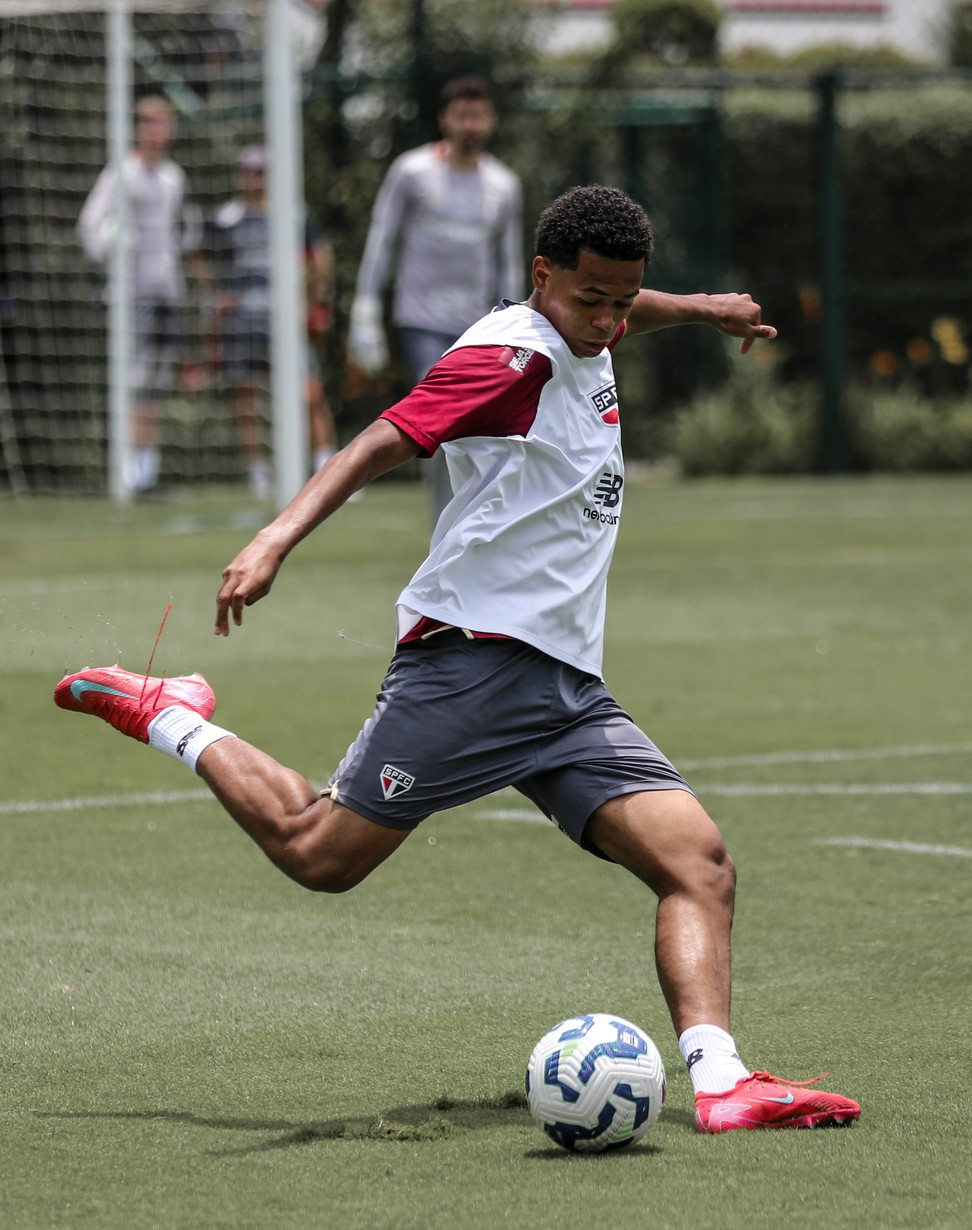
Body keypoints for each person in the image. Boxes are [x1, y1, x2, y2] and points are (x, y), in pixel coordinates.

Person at [55, 185, 861, 1134]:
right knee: (320, 855)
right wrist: (274, 538)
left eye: (621, 300)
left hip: (565, 688)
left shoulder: (590, 324)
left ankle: (721, 1085)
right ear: (541, 277)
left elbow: (626, 309)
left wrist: (703, 308)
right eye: (590, 299)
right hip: (471, 664)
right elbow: (382, 438)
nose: (607, 321)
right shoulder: (509, 359)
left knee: (701, 866)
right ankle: (168, 713)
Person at [348, 76, 523, 524]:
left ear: (491, 121)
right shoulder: (412, 171)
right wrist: (365, 310)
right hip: (421, 322)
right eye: (462, 116)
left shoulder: (503, 184)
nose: (470, 125)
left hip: (479, 326)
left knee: (486, 430)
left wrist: (518, 322)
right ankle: (445, 528)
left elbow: (508, 262)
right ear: (445, 119)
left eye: (478, 116)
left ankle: (478, 524)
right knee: (442, 422)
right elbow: (382, 240)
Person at [78, 93, 203, 497]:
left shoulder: (173, 177)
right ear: (137, 127)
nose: (155, 130)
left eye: (161, 122)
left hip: (168, 292)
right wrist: (111, 246)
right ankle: (127, 473)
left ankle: (147, 473)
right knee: (135, 380)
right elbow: (90, 224)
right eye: (148, 122)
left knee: (157, 384)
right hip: (133, 296)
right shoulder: (122, 172)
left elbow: (186, 232)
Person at [205, 145, 340, 498]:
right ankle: (258, 473)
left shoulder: (293, 214)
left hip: (285, 321)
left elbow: (321, 259)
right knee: (245, 395)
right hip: (243, 320)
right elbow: (200, 256)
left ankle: (328, 469)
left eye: (261, 171)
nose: (255, 178)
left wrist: (310, 303)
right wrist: (215, 297)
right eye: (249, 171)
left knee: (309, 392)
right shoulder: (227, 218)